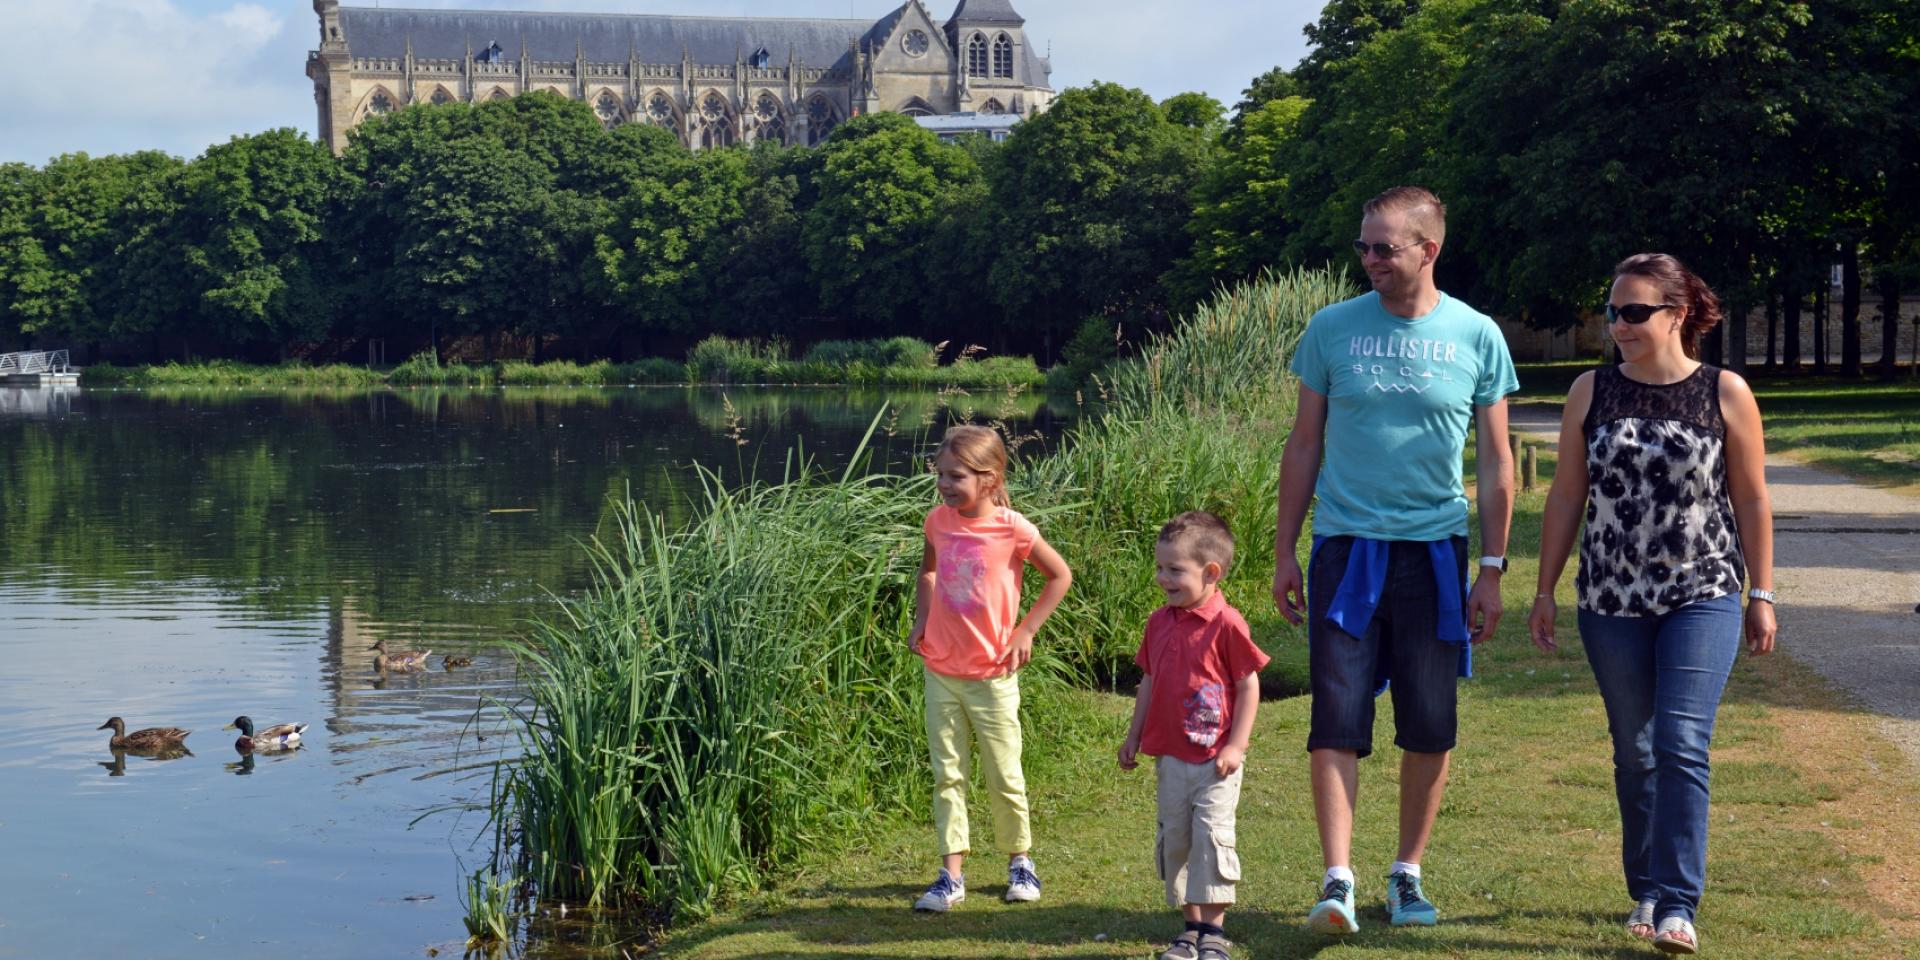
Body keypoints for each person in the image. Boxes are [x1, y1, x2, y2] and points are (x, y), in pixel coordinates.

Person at [1272, 186, 1518, 934]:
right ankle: (1338, 879)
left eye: (1384, 247)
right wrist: (1285, 549)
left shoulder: (1477, 335)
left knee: (1430, 722)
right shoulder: (1332, 329)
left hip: (1436, 554)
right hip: (1346, 550)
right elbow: (1304, 443)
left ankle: (1407, 873)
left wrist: (1494, 568)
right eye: (1363, 247)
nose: (1370, 260)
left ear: (1427, 250)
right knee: (1336, 716)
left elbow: (1499, 462)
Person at [1528, 253, 1776, 955]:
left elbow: (1752, 498)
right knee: (1635, 751)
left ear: (1677, 313)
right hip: (1610, 597)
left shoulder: (1724, 391)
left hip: (1704, 592)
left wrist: (1762, 591)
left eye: (1635, 312)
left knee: (1681, 742)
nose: (1619, 325)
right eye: (1612, 312)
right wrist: (1543, 589)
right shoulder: (1591, 391)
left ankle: (1677, 902)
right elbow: (1567, 495)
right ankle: (1644, 883)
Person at [907, 424, 1072, 912]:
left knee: (1004, 773)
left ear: (990, 477)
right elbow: (930, 570)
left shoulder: (1013, 527)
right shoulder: (937, 521)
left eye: (955, 475)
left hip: (993, 674)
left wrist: (1026, 631)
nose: (944, 484)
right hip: (940, 668)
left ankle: (1021, 862)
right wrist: (922, 618)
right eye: (940, 474)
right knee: (947, 773)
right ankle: (950, 875)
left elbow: (1059, 575)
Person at [1120, 511, 1270, 960]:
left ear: (1210, 573)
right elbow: (1147, 681)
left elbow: (1248, 684)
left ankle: (1214, 933)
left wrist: (1236, 745)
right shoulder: (1158, 621)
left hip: (1214, 760)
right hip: (1170, 755)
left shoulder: (1226, 623)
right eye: (1160, 567)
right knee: (1178, 838)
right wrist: (1134, 736)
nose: (1163, 577)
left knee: (1211, 838)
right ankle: (1189, 928)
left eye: (1175, 570)